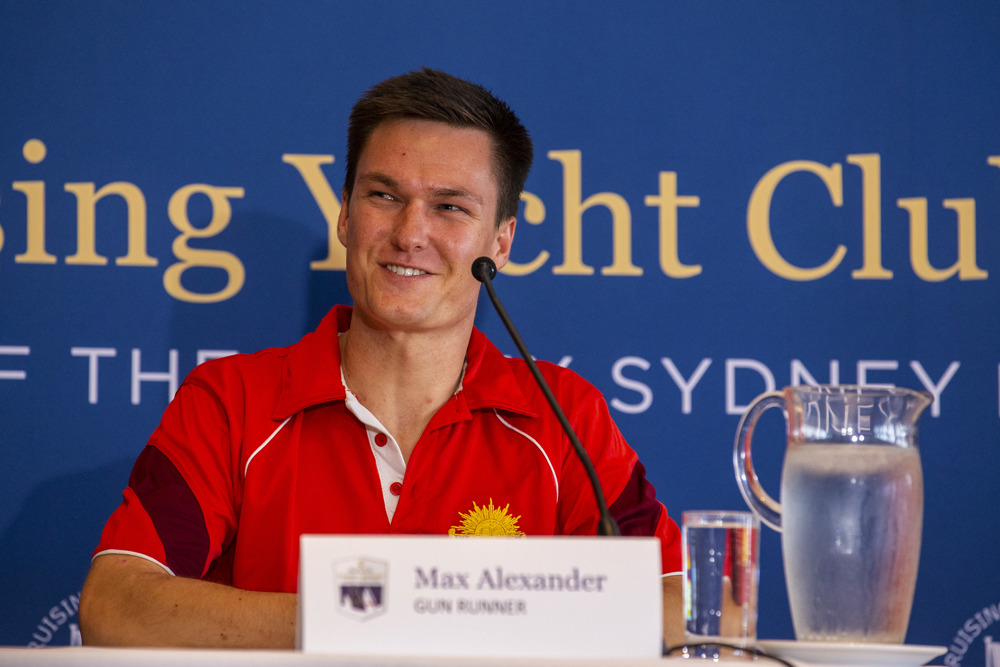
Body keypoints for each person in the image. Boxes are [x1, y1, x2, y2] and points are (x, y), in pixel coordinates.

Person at [78, 67, 684, 648]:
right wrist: (371, 614)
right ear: (346, 213)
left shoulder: (563, 416)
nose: (409, 234)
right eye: (384, 196)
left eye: (451, 207)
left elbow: (692, 605)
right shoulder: (229, 401)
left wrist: (473, 616)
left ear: (500, 241)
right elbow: (115, 605)